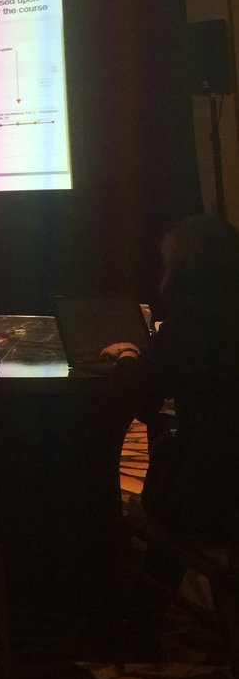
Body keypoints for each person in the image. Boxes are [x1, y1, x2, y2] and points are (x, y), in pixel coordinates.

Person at [101, 213, 239, 543]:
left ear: (181, 271)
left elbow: (141, 399)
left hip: (211, 497)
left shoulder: (191, 322)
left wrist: (127, 356)